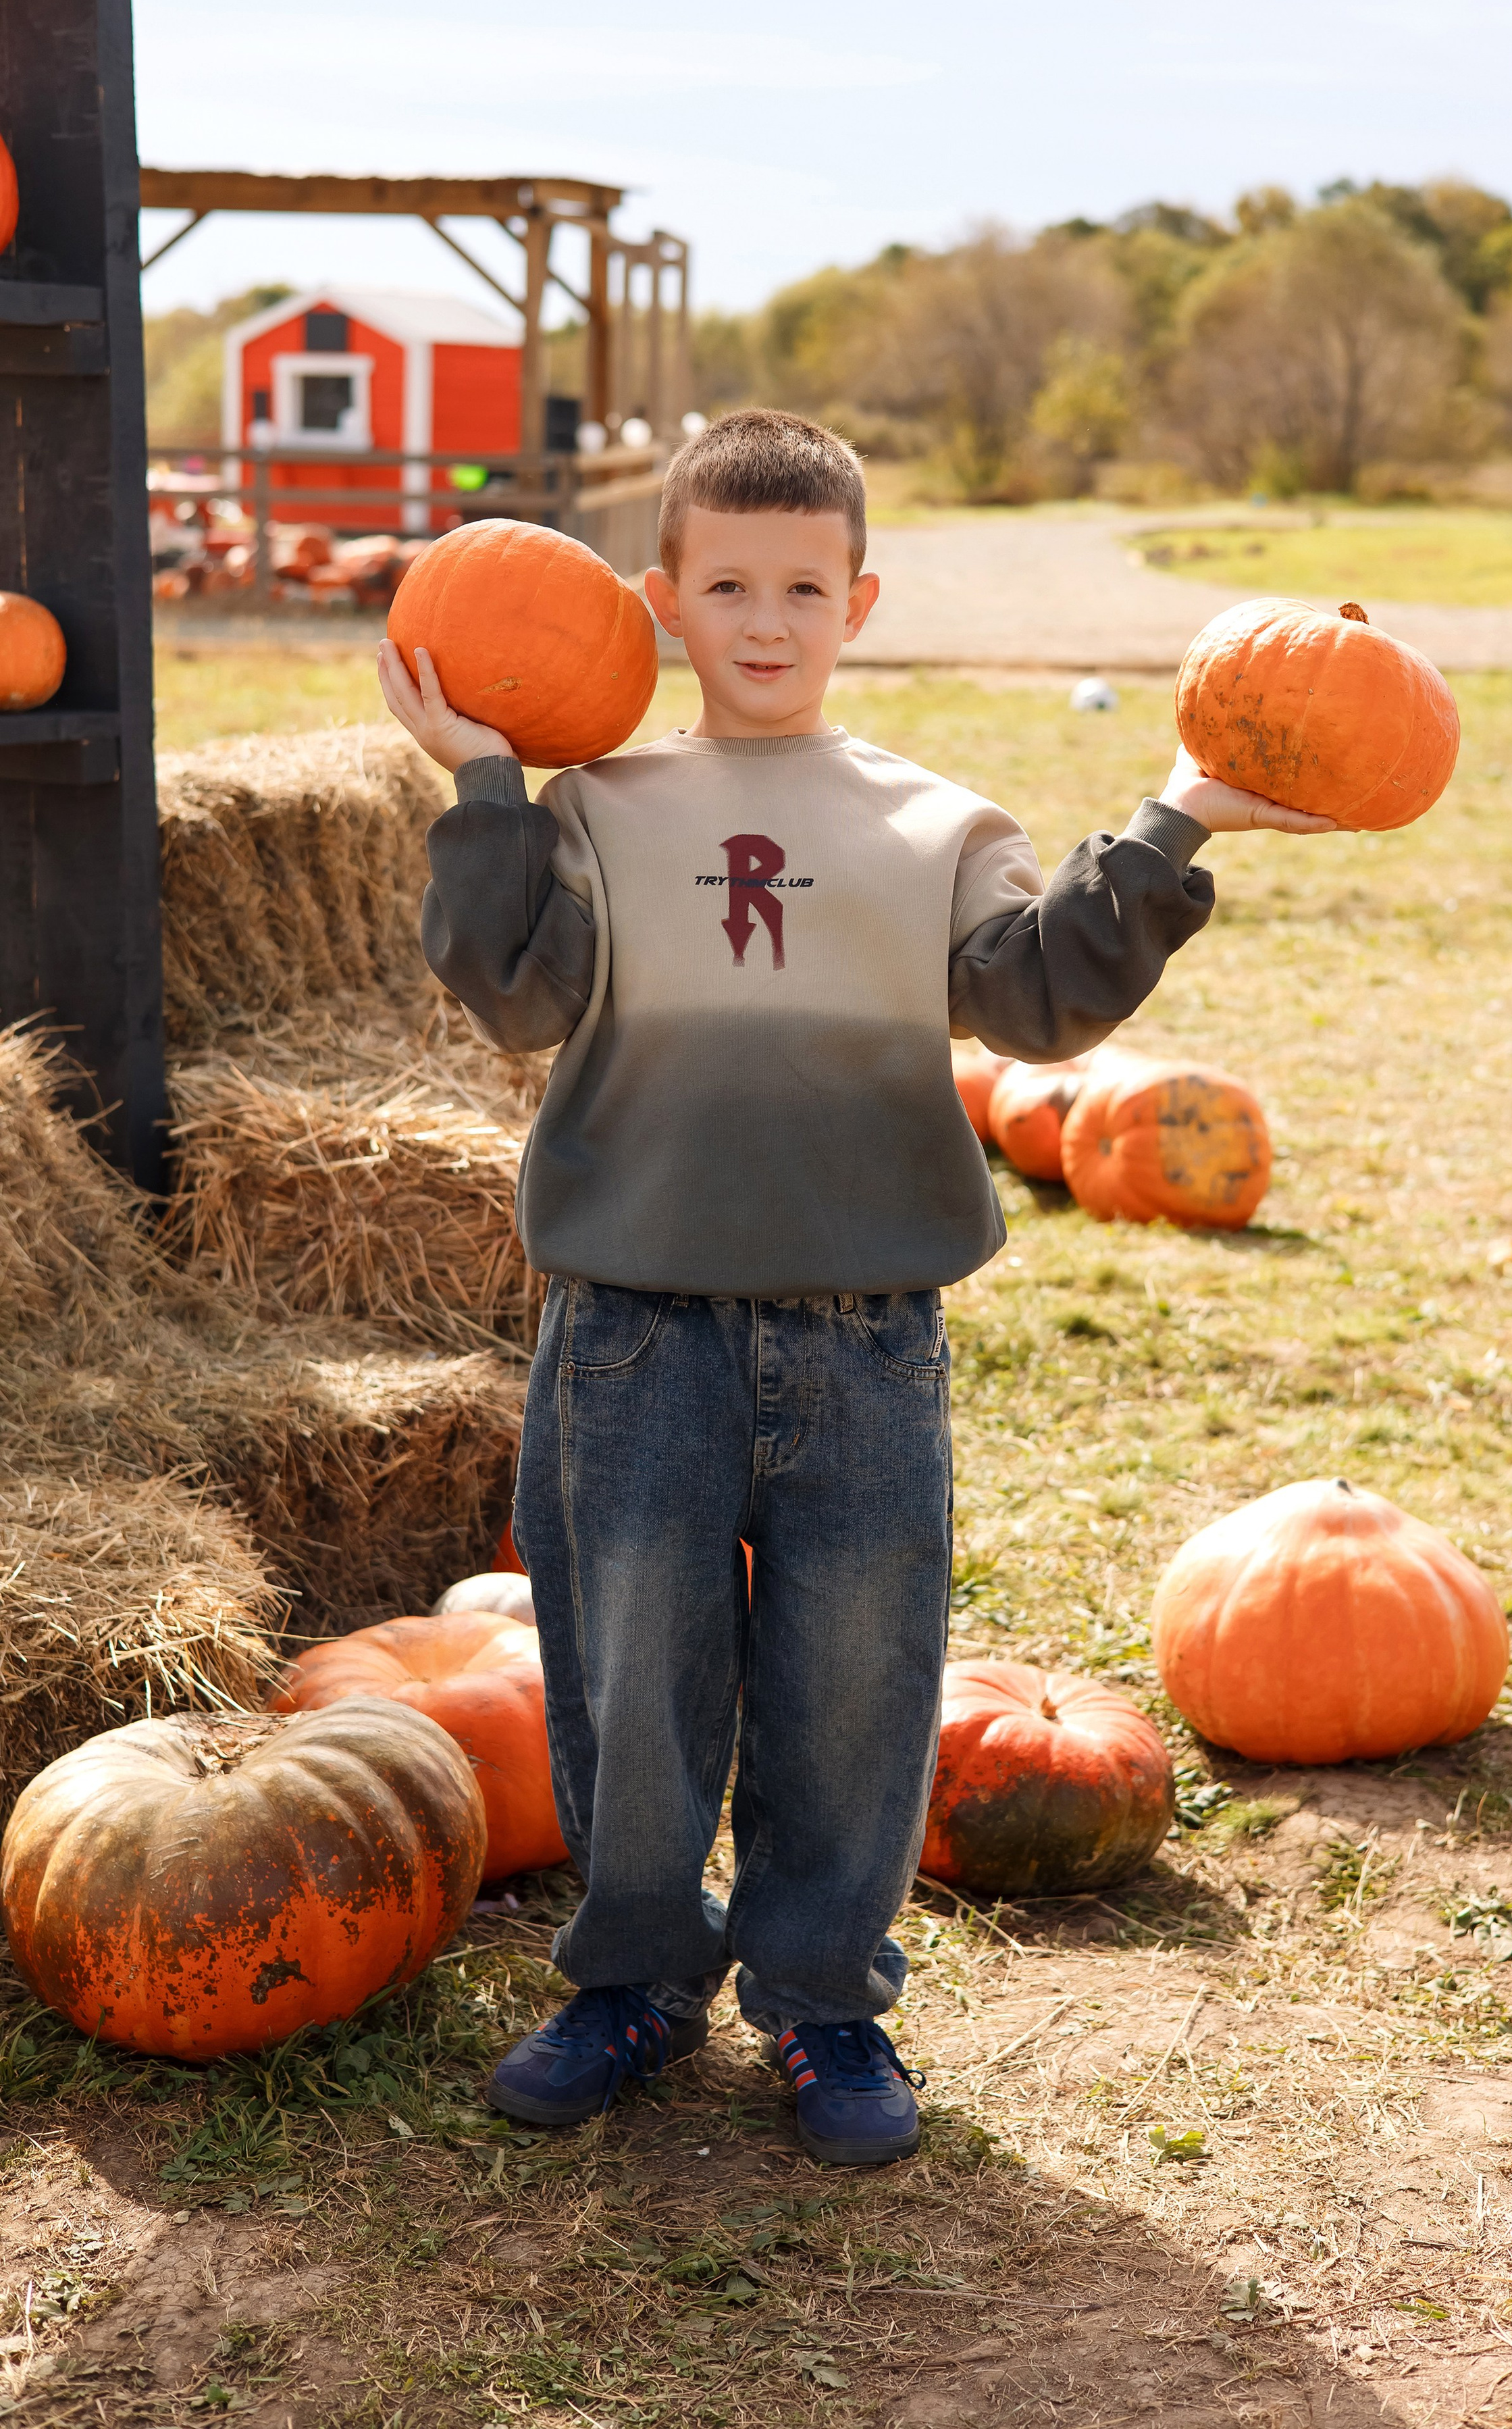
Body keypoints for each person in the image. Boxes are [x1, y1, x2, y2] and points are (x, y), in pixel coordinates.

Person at [377, 409, 1332, 2168]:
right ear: (664, 599)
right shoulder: (600, 811)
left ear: (859, 597)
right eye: (726, 582)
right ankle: (639, 1980)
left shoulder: (940, 824)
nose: (764, 616)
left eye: (800, 585)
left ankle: (823, 1999)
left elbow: (1040, 1007)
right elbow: (511, 991)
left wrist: (1174, 821)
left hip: (866, 1335)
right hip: (635, 1325)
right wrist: (488, 783)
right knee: (630, 1670)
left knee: (853, 1677)